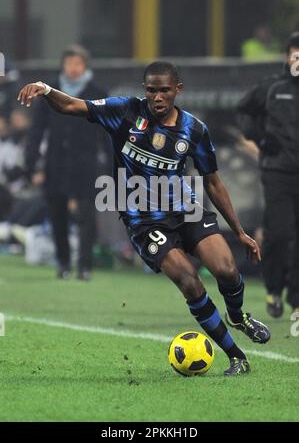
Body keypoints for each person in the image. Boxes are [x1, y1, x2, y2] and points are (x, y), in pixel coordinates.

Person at [17, 61, 270, 376]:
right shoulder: (124, 112)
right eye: (152, 90)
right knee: (190, 283)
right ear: (144, 90)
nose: (158, 97)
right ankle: (236, 356)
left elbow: (213, 182)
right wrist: (45, 88)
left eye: (165, 90)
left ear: (178, 90)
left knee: (227, 269)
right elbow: (71, 105)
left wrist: (241, 231)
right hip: (144, 220)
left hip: (185, 209)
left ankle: (237, 316)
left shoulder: (194, 129)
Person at [25, 45, 108, 280]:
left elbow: (109, 132)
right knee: (57, 214)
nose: (73, 68)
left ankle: (85, 266)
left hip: (86, 162)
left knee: (87, 217)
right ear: (63, 65)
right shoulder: (48, 91)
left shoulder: (97, 91)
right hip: (56, 161)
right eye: (69, 63)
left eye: (78, 64)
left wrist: (115, 166)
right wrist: (31, 164)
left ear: (85, 66)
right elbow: (37, 131)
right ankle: (62, 263)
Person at [237, 31, 299, 318]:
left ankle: (296, 299)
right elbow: (244, 109)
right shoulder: (272, 87)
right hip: (278, 172)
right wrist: (260, 137)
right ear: (288, 56)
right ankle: (274, 287)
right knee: (281, 233)